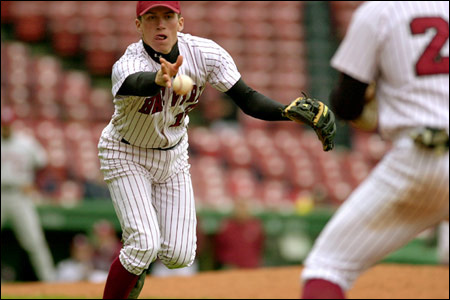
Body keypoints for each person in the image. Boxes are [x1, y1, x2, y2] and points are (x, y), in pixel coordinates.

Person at [98, 1, 336, 298]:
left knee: (179, 256)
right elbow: (135, 83)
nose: (161, 24)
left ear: (180, 22)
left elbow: (246, 98)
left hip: (172, 155)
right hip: (126, 153)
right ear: (138, 25)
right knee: (143, 245)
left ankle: (133, 273)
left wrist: (286, 111)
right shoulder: (129, 62)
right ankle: (127, 278)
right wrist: (158, 79)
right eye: (152, 18)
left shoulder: (205, 54)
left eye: (168, 16)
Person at [301, 2, 449, 298]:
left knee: (327, 267)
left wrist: (372, 96)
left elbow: (346, 104)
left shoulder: (378, 11)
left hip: (422, 155)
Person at [1, 107, 56, 282]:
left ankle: (50, 282)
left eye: (7, 125)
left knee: (34, 240)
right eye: (2, 125)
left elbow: (44, 164)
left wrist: (36, 185)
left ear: (13, 124)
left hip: (19, 195)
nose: (5, 128)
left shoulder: (26, 143)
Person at [214, 199, 265, 269]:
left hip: (251, 265)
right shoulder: (227, 226)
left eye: (244, 207)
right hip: (231, 266)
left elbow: (259, 246)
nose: (241, 211)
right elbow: (219, 246)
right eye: (239, 208)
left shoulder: (255, 225)